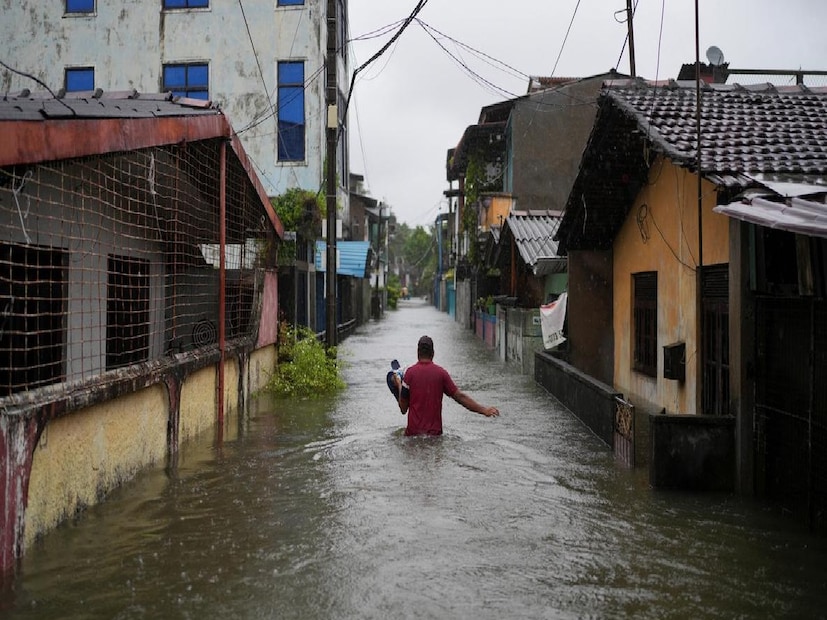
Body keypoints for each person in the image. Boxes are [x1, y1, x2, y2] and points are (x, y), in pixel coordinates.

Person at [393, 335, 499, 436]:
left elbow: (403, 408)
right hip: (435, 436)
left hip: (412, 438)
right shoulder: (441, 374)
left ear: (418, 353)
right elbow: (460, 397)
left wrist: (399, 384)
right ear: (433, 353)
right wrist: (484, 410)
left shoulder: (409, 374)